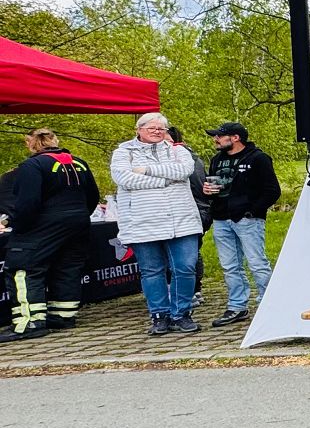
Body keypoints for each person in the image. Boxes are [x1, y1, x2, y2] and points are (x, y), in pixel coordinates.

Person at [110, 112, 204, 335]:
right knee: (152, 271)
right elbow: (125, 179)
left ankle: (182, 313)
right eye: (151, 128)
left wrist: (146, 170)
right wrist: (166, 180)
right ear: (139, 129)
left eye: (161, 128)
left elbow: (184, 170)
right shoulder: (123, 152)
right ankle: (159, 315)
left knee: (185, 267)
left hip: (181, 221)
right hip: (141, 222)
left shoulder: (178, 151)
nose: (157, 131)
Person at [1, 128, 99, 342]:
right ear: (56, 140)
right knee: (66, 267)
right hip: (79, 223)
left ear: (29, 143)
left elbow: (28, 203)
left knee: (22, 268)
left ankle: (29, 322)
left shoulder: (32, 166)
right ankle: (63, 316)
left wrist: (15, 224)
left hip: (43, 225)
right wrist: (79, 215)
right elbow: (93, 195)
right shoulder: (79, 163)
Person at [203, 121, 281, 327]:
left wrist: (252, 211)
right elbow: (215, 187)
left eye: (219, 136)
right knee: (230, 266)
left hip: (247, 219)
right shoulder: (217, 160)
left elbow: (272, 190)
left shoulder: (258, 158)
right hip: (221, 218)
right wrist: (208, 192)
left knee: (257, 263)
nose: (215, 140)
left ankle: (269, 305)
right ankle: (237, 306)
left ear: (235, 138)